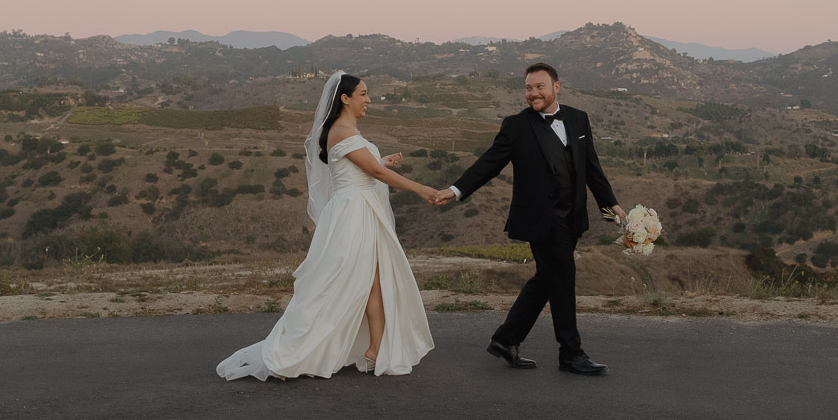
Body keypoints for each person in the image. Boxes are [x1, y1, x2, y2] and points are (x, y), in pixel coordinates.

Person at [217, 72, 445, 380]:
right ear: (345, 98)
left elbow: (362, 167)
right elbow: (374, 173)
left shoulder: (346, 130)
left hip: (362, 210)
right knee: (344, 282)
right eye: (363, 94)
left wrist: (382, 160)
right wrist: (420, 189)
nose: (369, 100)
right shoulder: (342, 131)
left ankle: (375, 349)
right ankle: (312, 347)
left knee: (373, 281)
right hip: (354, 214)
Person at [440, 62, 624, 375]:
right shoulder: (516, 125)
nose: (533, 93)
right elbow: (489, 163)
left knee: (547, 279)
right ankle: (571, 353)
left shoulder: (578, 118)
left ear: (556, 87)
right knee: (563, 277)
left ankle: (505, 339)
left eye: (539, 87)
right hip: (541, 219)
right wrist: (456, 190)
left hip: (572, 216)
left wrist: (611, 204)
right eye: (528, 88)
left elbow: (592, 167)